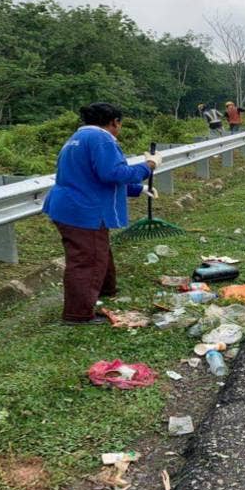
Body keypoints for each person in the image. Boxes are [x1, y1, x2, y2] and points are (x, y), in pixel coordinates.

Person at [42, 102, 162, 325]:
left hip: (70, 204)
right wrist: (148, 166)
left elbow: (91, 177)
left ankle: (105, 289)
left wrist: (139, 189)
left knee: (98, 250)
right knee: (86, 260)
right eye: (119, 123)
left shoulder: (77, 139)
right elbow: (112, 173)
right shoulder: (101, 138)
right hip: (83, 209)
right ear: (114, 122)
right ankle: (77, 314)